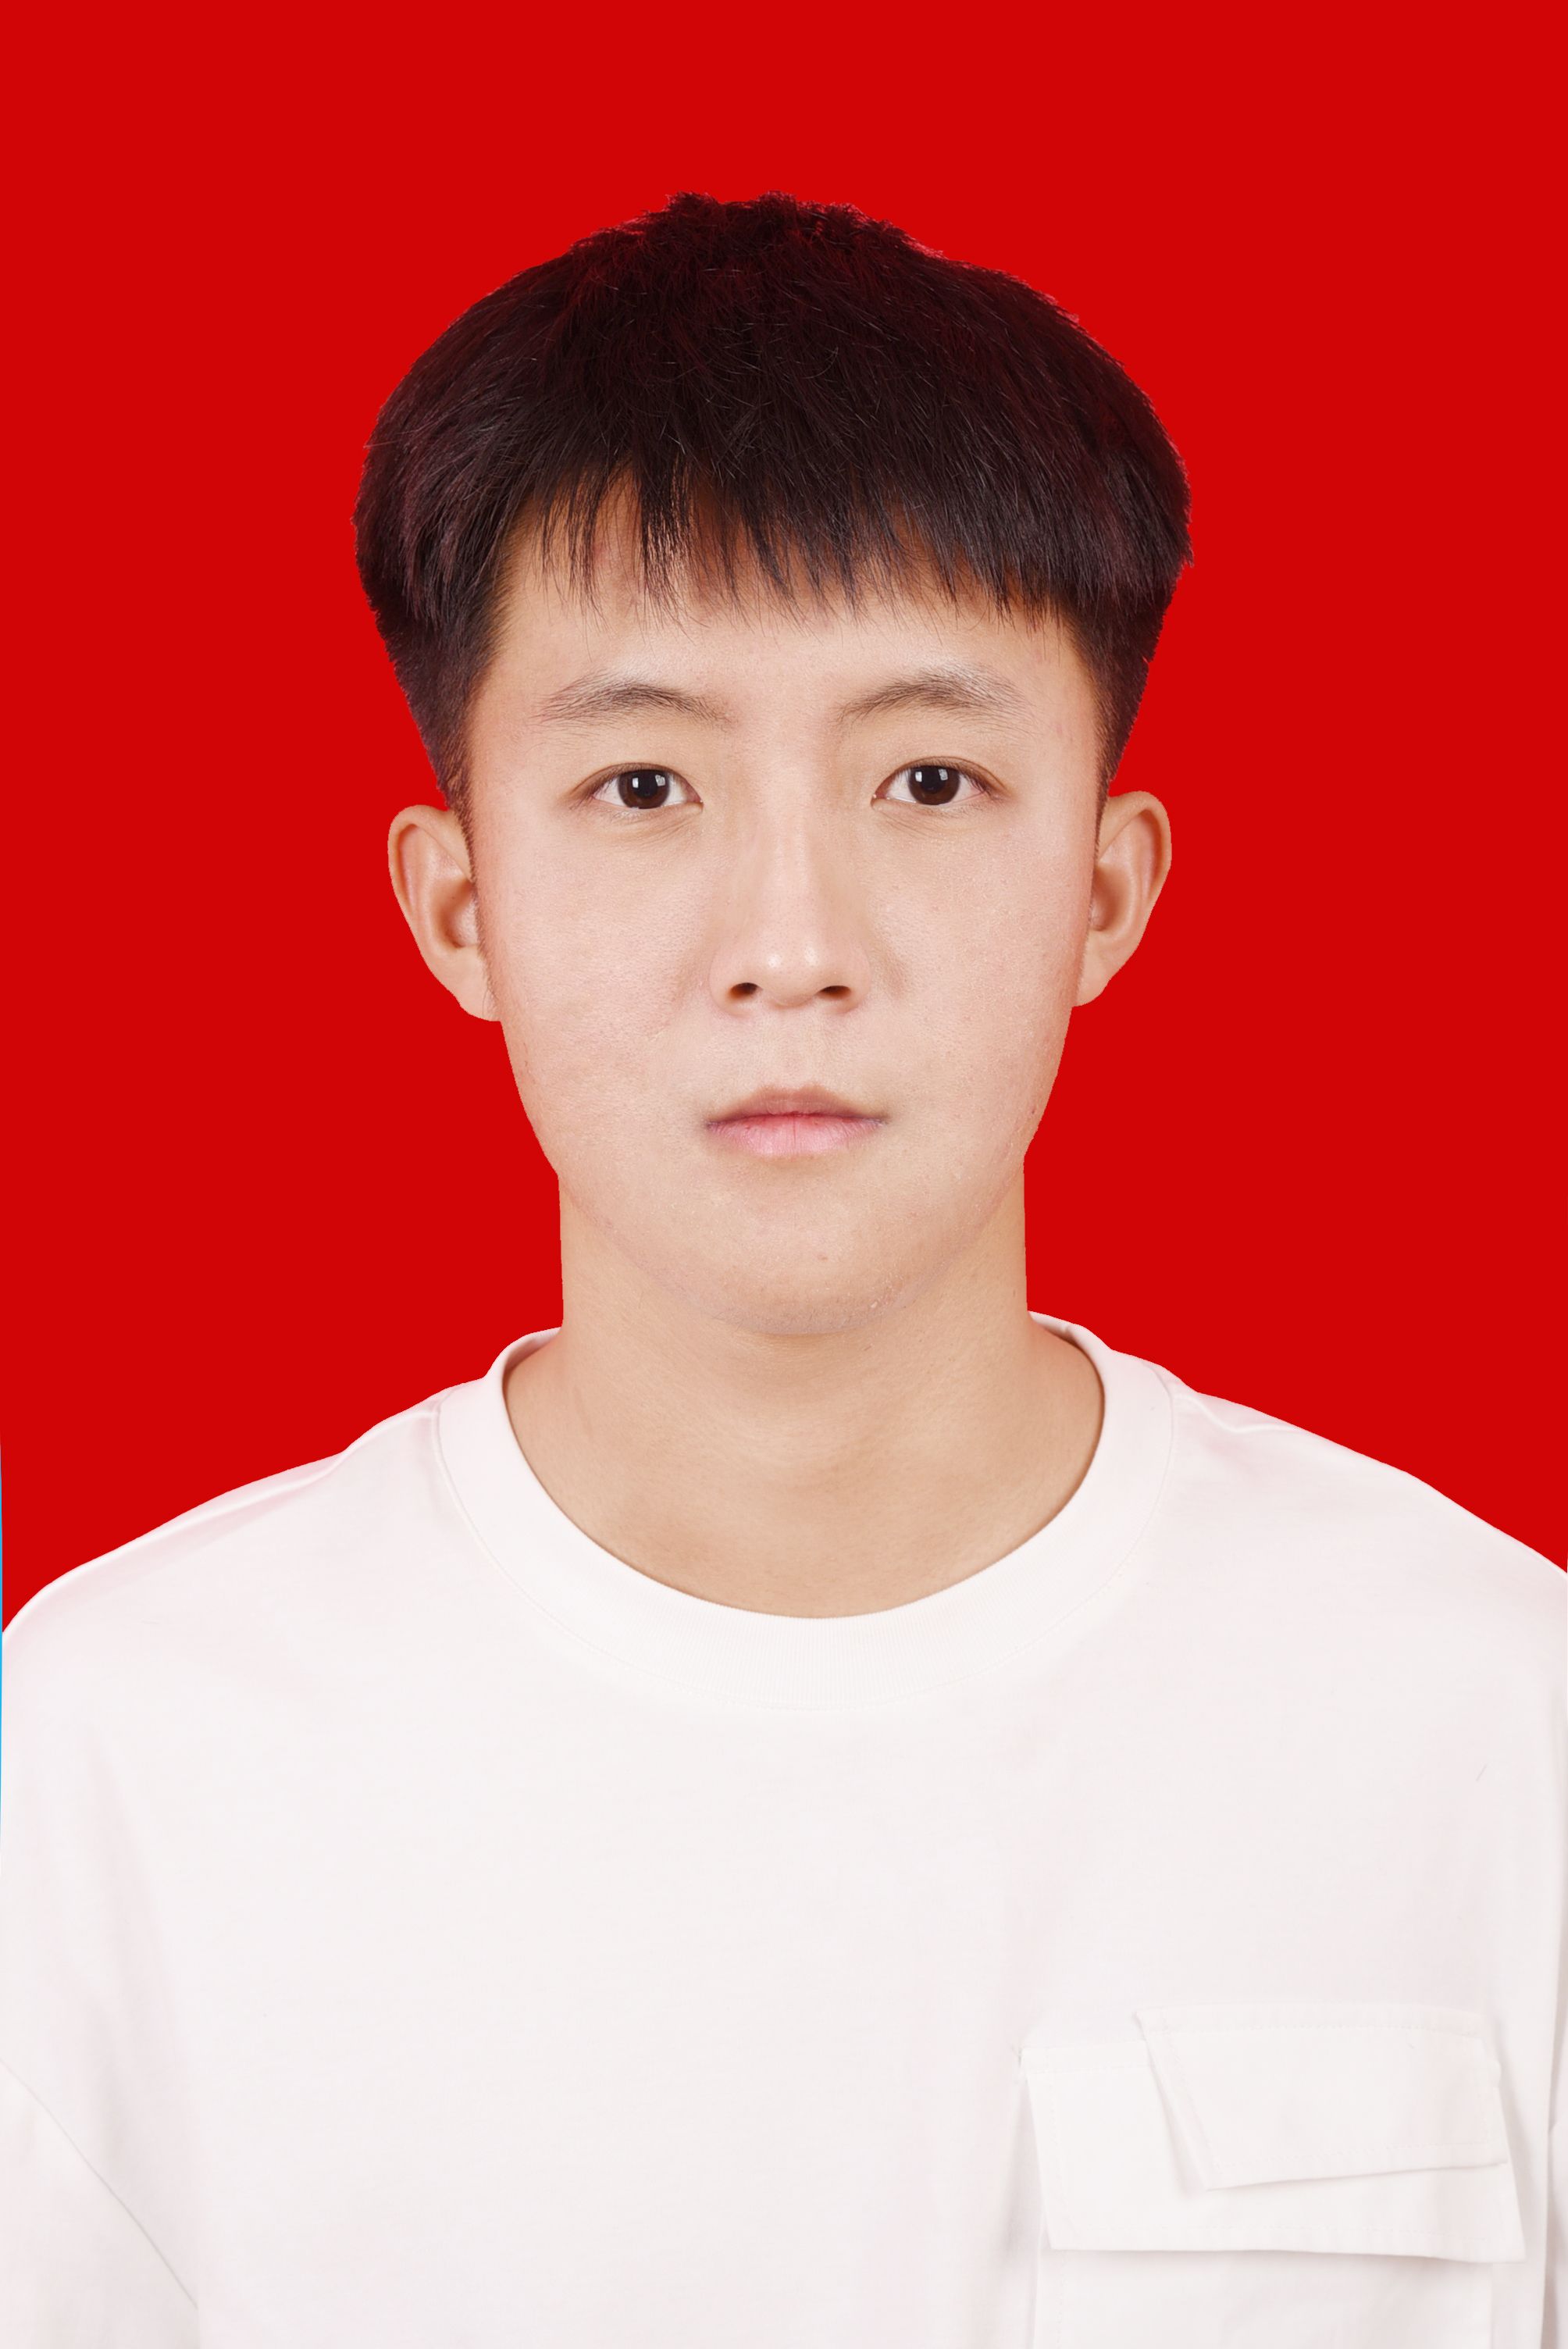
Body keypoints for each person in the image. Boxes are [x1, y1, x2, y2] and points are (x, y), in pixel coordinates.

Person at [0, 190, 1561, 2349]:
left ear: (1107, 892)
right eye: (645, 782)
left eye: (930, 776)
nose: (794, 945)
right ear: (459, 906)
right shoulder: (112, 1761)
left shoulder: (1496, 1724)